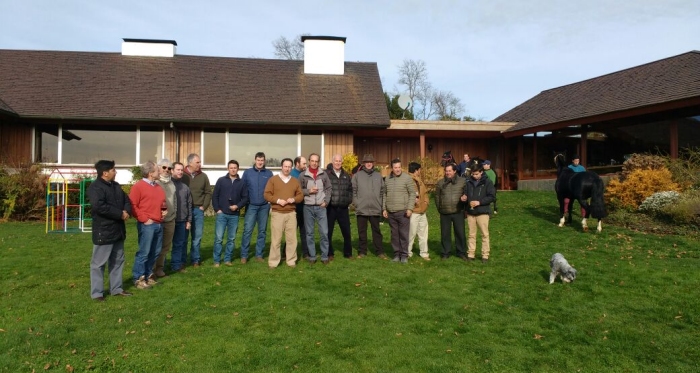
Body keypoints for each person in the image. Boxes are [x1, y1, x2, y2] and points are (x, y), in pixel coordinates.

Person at [88, 160, 132, 301]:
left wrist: (126, 210)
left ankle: (116, 288)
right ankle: (97, 293)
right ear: (105, 173)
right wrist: (120, 214)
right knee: (98, 264)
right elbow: (100, 207)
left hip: (118, 230)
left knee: (118, 261)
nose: (116, 172)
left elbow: (127, 200)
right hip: (104, 230)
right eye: (113, 170)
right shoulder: (95, 188)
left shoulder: (116, 186)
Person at [129, 161, 167, 289]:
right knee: (144, 252)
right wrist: (144, 219)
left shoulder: (157, 187)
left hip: (158, 223)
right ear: (151, 173)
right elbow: (132, 205)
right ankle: (138, 278)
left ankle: (148, 274)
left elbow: (161, 203)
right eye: (157, 170)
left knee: (155, 251)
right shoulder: (138, 187)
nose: (160, 171)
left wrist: (163, 211)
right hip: (147, 224)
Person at [264, 158, 304, 268]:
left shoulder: (295, 181)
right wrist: (277, 200)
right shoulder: (273, 180)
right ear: (281, 167)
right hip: (277, 213)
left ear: (291, 168)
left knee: (292, 239)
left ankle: (291, 261)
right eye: (285, 166)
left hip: (291, 213)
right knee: (276, 240)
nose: (287, 168)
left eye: (289, 167)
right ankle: (273, 262)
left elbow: (300, 195)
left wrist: (294, 199)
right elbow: (267, 194)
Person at [212, 160, 249, 267]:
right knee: (219, 238)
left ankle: (227, 259)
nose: (233, 169)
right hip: (222, 214)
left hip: (234, 215)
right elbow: (215, 196)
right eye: (231, 167)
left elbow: (245, 198)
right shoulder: (221, 180)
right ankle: (217, 260)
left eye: (235, 168)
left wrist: (237, 206)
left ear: (238, 169)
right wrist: (217, 209)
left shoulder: (242, 182)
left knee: (231, 239)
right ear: (228, 169)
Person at [299, 153, 332, 264]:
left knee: (324, 232)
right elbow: (298, 190)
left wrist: (326, 201)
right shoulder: (303, 175)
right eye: (312, 161)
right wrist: (308, 191)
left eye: (316, 161)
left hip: (321, 207)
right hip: (307, 207)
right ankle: (312, 256)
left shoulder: (324, 174)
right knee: (309, 233)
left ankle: (324, 256)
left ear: (319, 162)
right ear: (309, 161)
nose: (314, 163)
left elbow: (329, 188)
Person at [352, 154, 386, 259]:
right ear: (364, 163)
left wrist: (381, 204)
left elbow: (383, 192)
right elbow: (353, 191)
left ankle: (379, 251)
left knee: (376, 231)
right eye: (367, 162)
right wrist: (356, 203)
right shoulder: (357, 176)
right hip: (361, 208)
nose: (369, 164)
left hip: (375, 208)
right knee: (362, 231)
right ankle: (362, 251)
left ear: (373, 163)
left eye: (370, 162)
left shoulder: (378, 176)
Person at [241, 152, 273, 263]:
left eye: (262, 160)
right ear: (255, 160)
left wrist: (269, 201)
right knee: (247, 230)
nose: (260, 162)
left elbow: (272, 189)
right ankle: (244, 255)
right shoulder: (247, 173)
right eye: (258, 160)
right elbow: (243, 188)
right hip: (251, 206)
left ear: (264, 161)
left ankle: (259, 254)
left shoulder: (269, 174)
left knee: (262, 231)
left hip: (264, 206)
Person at [181, 153, 211, 267]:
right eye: (197, 162)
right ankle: (182, 261)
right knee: (183, 237)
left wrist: (204, 206)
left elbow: (208, 192)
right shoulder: (182, 175)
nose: (200, 164)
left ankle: (195, 260)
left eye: (199, 162)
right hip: (184, 211)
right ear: (190, 163)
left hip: (198, 210)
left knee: (197, 237)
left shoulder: (203, 176)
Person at [383, 158, 415, 263]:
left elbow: (412, 194)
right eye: (395, 167)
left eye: (399, 167)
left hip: (403, 211)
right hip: (391, 212)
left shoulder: (407, 178)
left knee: (404, 234)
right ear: (392, 168)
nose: (397, 169)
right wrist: (384, 208)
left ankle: (404, 255)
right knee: (394, 235)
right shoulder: (387, 179)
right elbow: (384, 194)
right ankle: (396, 254)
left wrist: (410, 208)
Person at [463, 165, 496, 263]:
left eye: (476, 174)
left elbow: (492, 197)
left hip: (482, 212)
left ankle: (485, 255)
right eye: (472, 174)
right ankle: (471, 254)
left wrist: (479, 202)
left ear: (481, 172)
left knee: (484, 235)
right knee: (471, 234)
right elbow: (465, 193)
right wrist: (464, 198)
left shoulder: (487, 182)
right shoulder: (468, 182)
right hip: (471, 212)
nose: (474, 176)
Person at [435, 163, 467, 260]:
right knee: (445, 234)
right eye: (446, 171)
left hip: (458, 211)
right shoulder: (440, 183)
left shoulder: (462, 181)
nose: (448, 173)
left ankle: (461, 252)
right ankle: (445, 252)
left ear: (454, 171)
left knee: (460, 233)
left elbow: (466, 193)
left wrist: (465, 202)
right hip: (445, 212)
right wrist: (440, 208)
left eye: (450, 171)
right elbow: (437, 197)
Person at [326, 154, 354, 259]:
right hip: (331, 207)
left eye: (339, 161)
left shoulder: (346, 175)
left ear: (342, 162)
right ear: (332, 162)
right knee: (328, 231)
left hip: (343, 208)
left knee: (346, 232)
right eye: (336, 161)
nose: (338, 163)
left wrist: (348, 200)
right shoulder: (327, 174)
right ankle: (329, 253)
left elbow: (351, 190)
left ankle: (348, 253)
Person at [154, 159, 176, 278]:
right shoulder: (155, 183)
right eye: (164, 167)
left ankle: (159, 269)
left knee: (166, 246)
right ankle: (150, 270)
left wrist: (174, 214)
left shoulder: (172, 183)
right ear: (158, 168)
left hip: (170, 219)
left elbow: (174, 200)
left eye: (169, 168)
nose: (167, 170)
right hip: (157, 220)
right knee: (155, 245)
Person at [170, 162, 192, 273]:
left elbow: (189, 204)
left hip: (182, 220)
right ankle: (158, 268)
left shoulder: (185, 187)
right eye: (178, 170)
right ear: (172, 170)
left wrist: (189, 220)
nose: (180, 172)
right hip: (168, 221)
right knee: (164, 246)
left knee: (179, 244)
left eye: (182, 170)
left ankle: (176, 266)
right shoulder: (167, 185)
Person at [407, 162, 430, 261]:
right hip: (413, 212)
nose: (420, 172)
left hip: (422, 211)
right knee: (411, 234)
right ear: (416, 170)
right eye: (419, 170)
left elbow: (425, 193)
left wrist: (426, 202)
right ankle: (408, 252)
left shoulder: (420, 181)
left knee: (423, 233)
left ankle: (424, 253)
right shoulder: (407, 180)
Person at [290, 156, 309, 259]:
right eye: (304, 163)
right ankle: (286, 253)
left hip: (303, 207)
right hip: (294, 208)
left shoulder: (305, 174)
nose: (305, 165)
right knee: (292, 232)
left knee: (304, 231)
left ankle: (305, 252)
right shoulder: (292, 175)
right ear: (297, 164)